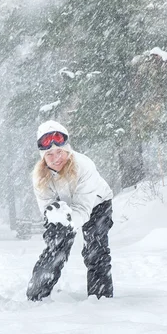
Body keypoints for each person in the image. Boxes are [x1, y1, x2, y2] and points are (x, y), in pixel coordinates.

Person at [26, 120, 114, 301]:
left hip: (97, 204)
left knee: (95, 249)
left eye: (60, 151)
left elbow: (83, 208)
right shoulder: (39, 176)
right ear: (43, 157)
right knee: (56, 246)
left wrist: (68, 221)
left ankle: (100, 298)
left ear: (67, 150)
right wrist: (56, 225)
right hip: (62, 208)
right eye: (49, 154)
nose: (56, 157)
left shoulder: (84, 166)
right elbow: (46, 208)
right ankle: (37, 294)